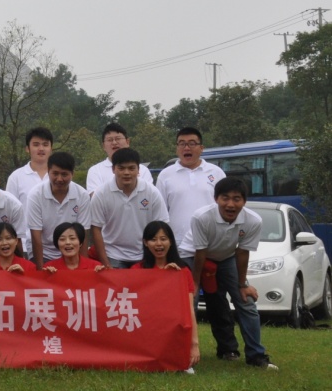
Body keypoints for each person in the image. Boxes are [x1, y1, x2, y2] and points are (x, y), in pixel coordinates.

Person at [190, 177, 276, 370]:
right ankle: (184, 354)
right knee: (190, 303)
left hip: (226, 258)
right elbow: (200, 252)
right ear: (216, 199)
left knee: (247, 302)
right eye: (225, 198)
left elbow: (242, 252)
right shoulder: (201, 217)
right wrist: (194, 283)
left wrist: (242, 285)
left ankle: (256, 355)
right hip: (193, 256)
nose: (230, 204)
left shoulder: (253, 220)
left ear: (244, 201)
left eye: (236, 199)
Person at [132, 220, 200, 370]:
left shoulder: (182, 272)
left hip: (172, 329)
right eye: (153, 239)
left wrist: (194, 345)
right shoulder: (137, 270)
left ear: (171, 242)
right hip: (146, 329)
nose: (158, 244)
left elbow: (189, 310)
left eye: (163, 239)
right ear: (145, 243)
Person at [88, 148, 169, 269]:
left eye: (131, 168)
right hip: (113, 255)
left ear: (138, 170)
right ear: (113, 169)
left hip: (145, 254)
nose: (126, 173)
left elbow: (162, 226)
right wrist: (106, 264)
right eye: (121, 168)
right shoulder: (101, 193)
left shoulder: (152, 192)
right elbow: (96, 228)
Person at [156, 127, 226, 261]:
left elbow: (224, 206)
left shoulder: (216, 172)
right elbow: (160, 212)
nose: (186, 148)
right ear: (177, 148)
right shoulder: (165, 175)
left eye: (192, 143)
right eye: (182, 144)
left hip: (212, 244)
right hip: (179, 246)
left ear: (201, 148)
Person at [26, 151, 92, 268]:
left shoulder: (82, 195)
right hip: (45, 252)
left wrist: (83, 268)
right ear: (48, 171)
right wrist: (41, 270)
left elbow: (84, 233)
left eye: (64, 174)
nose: (59, 179)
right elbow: (36, 236)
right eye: (55, 173)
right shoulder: (35, 195)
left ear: (72, 174)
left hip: (72, 252)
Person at [3, 127, 53, 253]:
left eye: (45, 145)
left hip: (57, 245)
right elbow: (9, 212)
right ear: (27, 148)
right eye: (36, 144)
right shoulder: (16, 177)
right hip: (25, 244)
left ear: (51, 148)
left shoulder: (59, 177)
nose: (41, 148)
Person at [85, 123, 154, 194]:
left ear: (127, 142)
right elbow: (96, 197)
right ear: (103, 146)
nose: (114, 143)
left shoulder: (143, 170)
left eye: (118, 139)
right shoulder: (95, 171)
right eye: (110, 140)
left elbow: (149, 195)